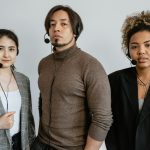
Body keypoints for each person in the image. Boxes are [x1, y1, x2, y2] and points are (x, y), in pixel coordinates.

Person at [31, 5, 112, 150]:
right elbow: (43, 100)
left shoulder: (90, 66)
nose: (56, 28)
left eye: (63, 24)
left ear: (75, 30)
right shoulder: (43, 63)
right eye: (52, 24)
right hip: (40, 144)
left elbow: (103, 118)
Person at [105, 11, 150, 150]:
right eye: (134, 46)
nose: (141, 51)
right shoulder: (115, 81)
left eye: (148, 45)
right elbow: (108, 124)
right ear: (128, 51)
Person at [0, 29, 35, 150]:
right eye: (0, 49)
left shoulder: (23, 80)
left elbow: (29, 120)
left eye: (11, 49)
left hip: (21, 144)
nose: (6, 54)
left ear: (17, 51)